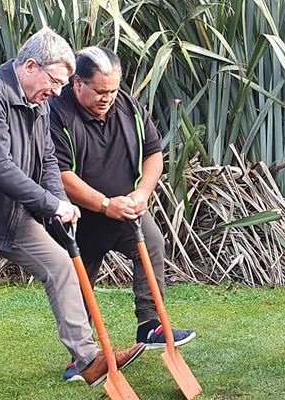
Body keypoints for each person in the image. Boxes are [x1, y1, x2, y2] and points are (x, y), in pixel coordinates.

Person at [0, 29, 145, 394]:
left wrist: (61, 206)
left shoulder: (38, 102)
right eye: (55, 81)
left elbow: (46, 160)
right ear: (30, 66)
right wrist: (49, 203)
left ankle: (89, 359)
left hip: (14, 219)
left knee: (61, 268)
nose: (58, 92)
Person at [48, 47, 195, 380]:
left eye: (112, 90)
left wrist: (141, 193)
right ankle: (82, 358)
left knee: (152, 244)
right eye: (100, 91)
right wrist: (103, 203)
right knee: (77, 281)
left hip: (125, 208)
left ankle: (150, 325)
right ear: (77, 83)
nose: (107, 98)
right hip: (78, 217)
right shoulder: (56, 114)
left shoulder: (128, 106)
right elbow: (58, 173)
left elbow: (154, 154)